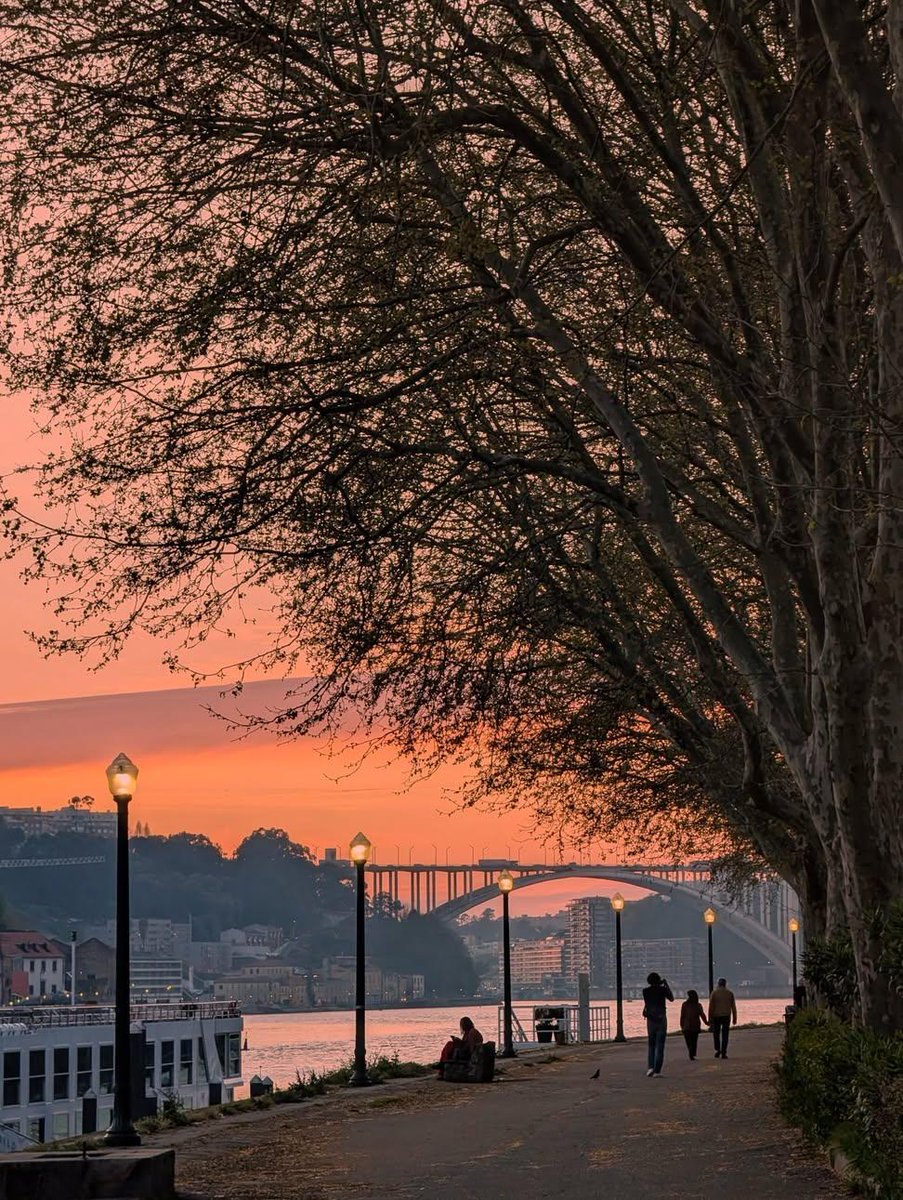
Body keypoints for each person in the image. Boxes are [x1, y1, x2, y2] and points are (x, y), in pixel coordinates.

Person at [642, 971, 674, 1077]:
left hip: (650, 1019)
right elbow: (671, 998)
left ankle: (650, 1067)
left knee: (651, 1045)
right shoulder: (662, 990)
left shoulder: (645, 991)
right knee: (660, 1046)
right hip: (661, 1019)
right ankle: (657, 1071)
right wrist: (665, 984)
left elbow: (647, 1003)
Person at [708, 977, 738, 1058]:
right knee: (725, 1035)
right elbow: (733, 1007)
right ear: (725, 984)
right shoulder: (730, 993)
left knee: (716, 1034)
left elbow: (711, 1007)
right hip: (726, 1016)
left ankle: (718, 1049)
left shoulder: (714, 993)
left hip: (716, 1016)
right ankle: (724, 1052)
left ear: (718, 984)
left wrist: (709, 1018)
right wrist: (735, 1018)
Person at [679, 989, 709, 1060]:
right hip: (695, 1025)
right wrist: (706, 1022)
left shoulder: (685, 1005)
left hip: (686, 1026)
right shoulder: (698, 1005)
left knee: (688, 1040)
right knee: (694, 1040)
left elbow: (682, 1016)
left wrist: (681, 1025)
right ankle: (692, 1052)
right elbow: (702, 1015)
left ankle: (690, 1050)